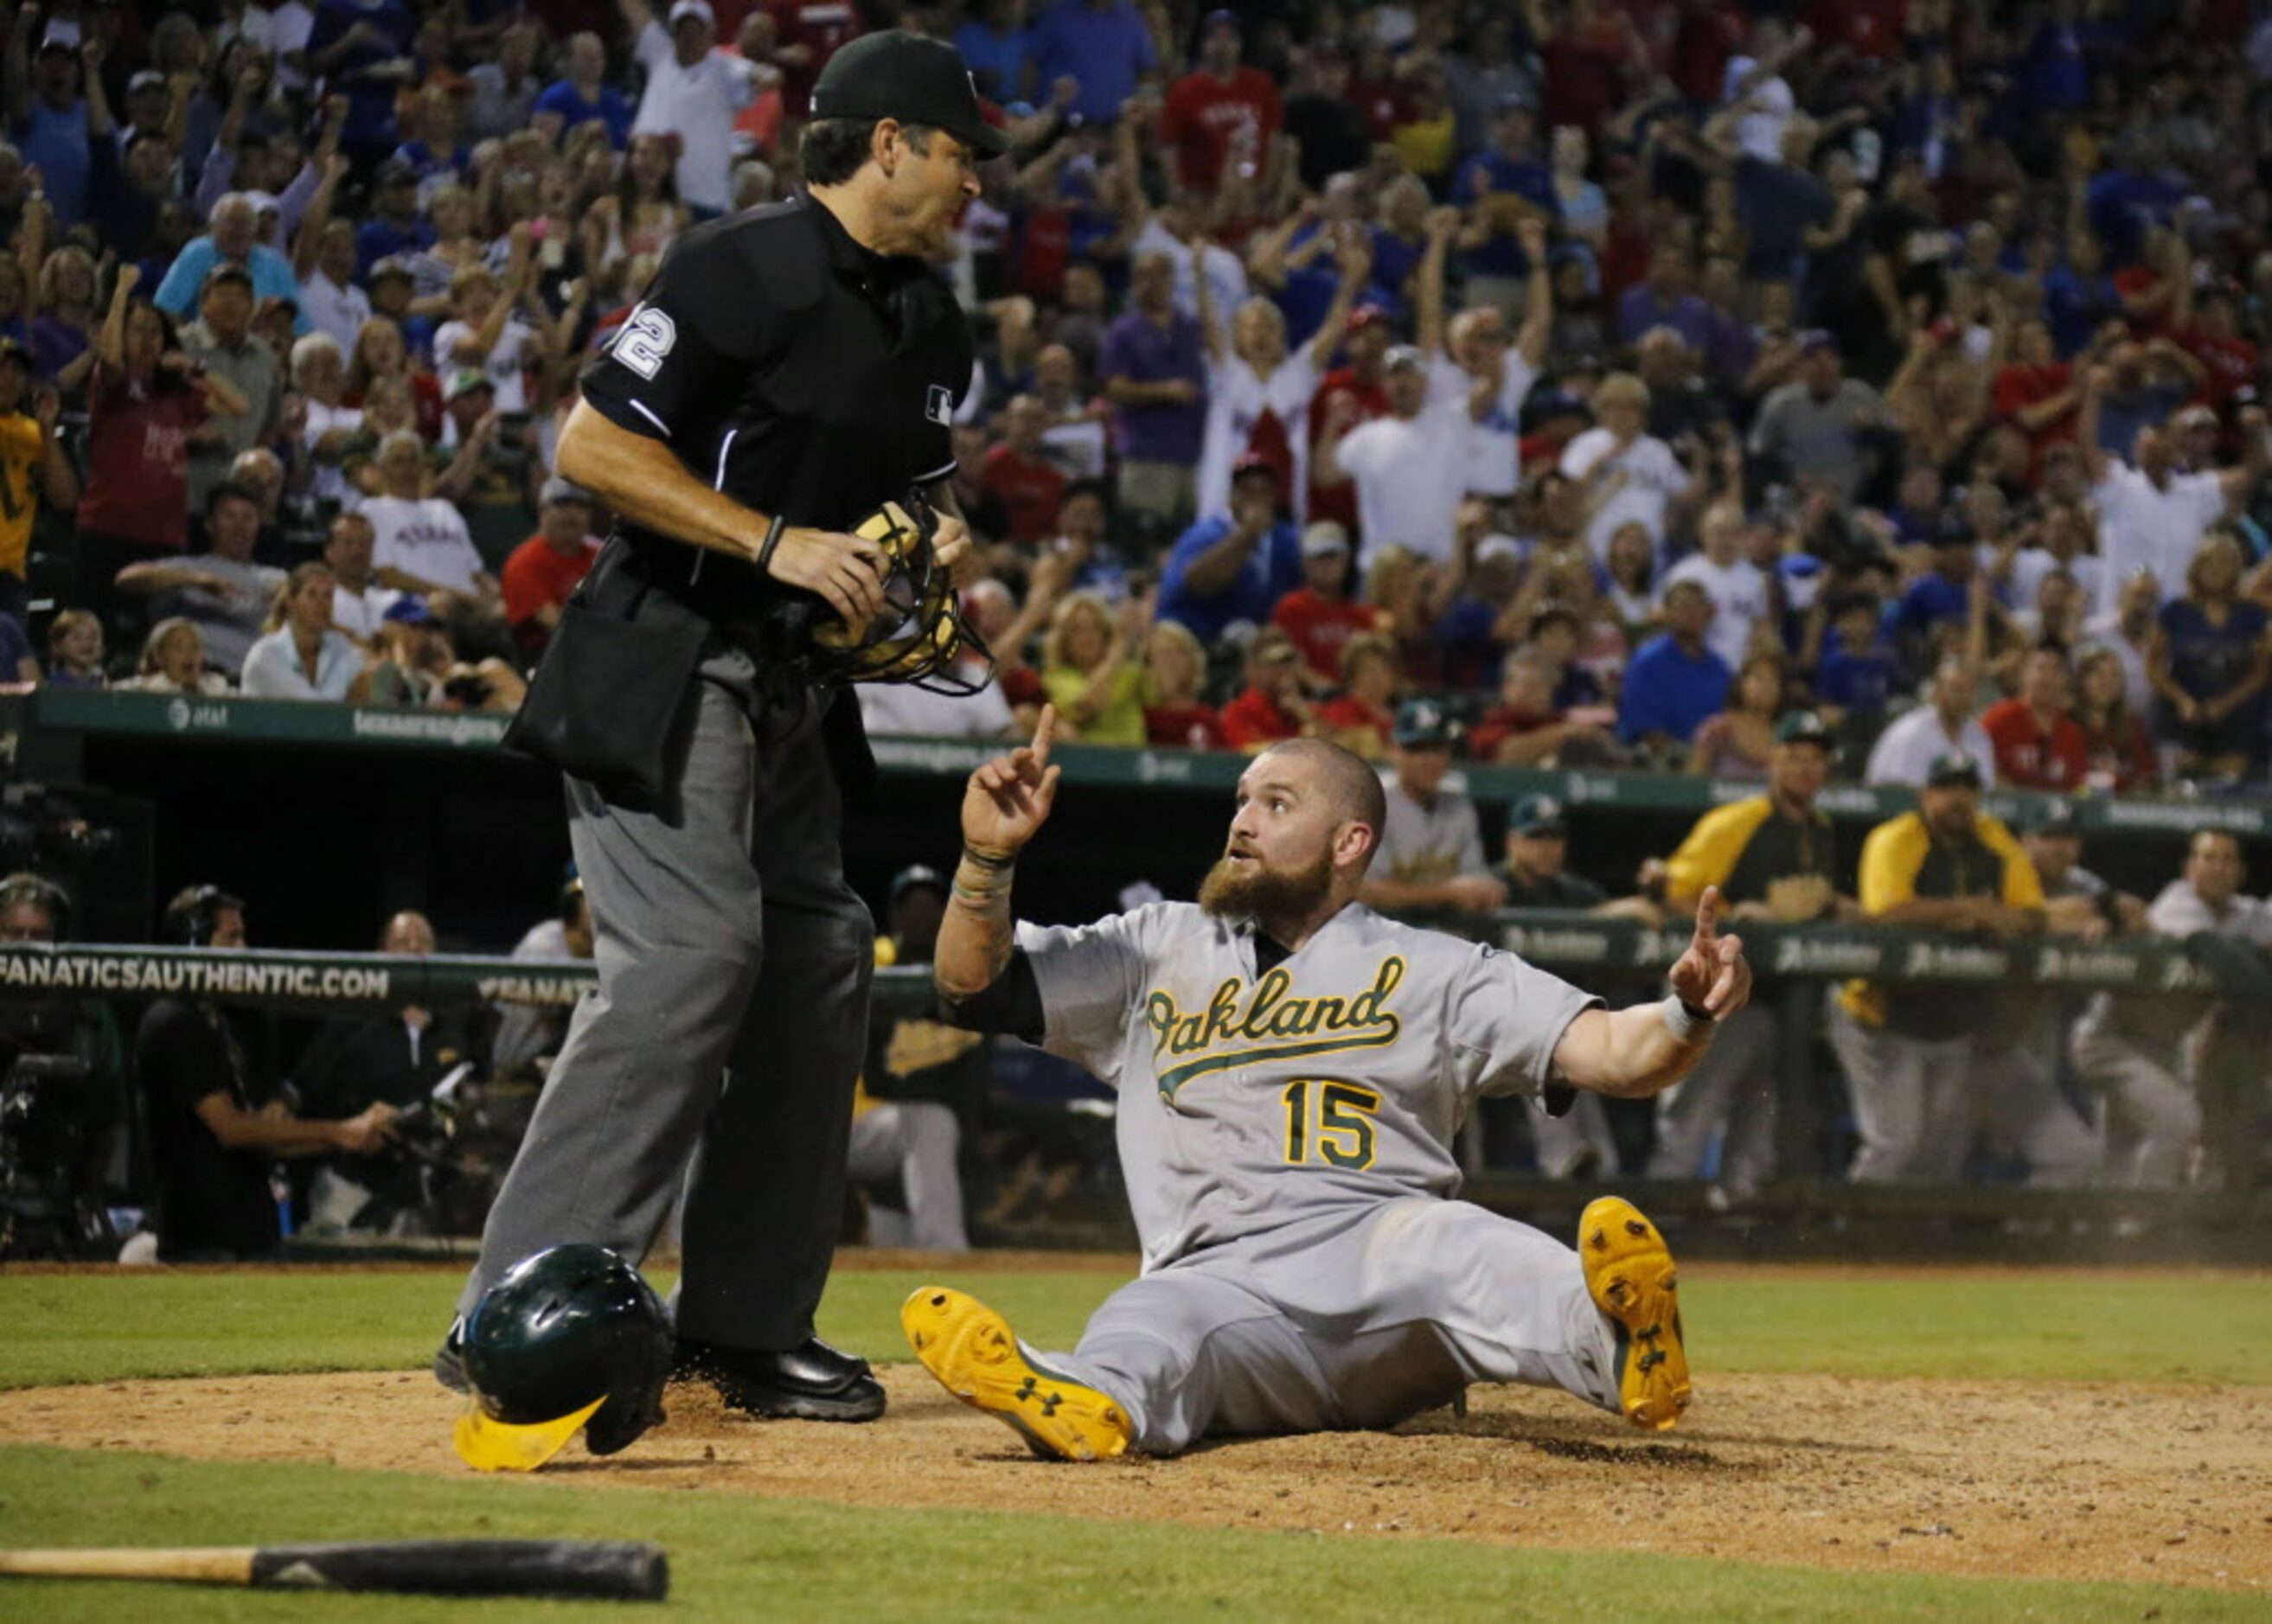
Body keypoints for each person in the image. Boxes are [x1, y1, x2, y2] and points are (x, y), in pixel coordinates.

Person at [442, 32, 1002, 1429]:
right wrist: (778, 539)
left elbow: (922, 499)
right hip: (666, 654)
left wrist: (925, 546)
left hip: (794, 689)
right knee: (695, 956)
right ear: (886, 143)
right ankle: (510, 1306)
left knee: (820, 958)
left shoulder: (936, 324)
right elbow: (590, 448)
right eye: (962, 149)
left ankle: (746, 1329)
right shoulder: (735, 266)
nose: (978, 179)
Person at [899, 710, 1752, 1460]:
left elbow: (1612, 1053)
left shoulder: (1438, 970)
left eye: (1276, 804)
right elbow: (971, 988)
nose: (1242, 822)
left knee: (1472, 1250)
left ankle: (1622, 1344)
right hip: (1219, 1286)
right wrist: (984, 859)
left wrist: (1684, 1014)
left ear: (1349, 843)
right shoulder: (1157, 946)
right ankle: (1079, 1398)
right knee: (1145, 1325)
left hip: (1385, 1262)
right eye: (1240, 800)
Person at [1829, 756, 2092, 1186]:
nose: (1959, 799)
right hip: (1880, 1014)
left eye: (1968, 789)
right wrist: (1967, 909)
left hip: (1949, 1023)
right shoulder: (1896, 838)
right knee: (1896, 1143)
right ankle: (1846, 1237)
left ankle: (1921, 1247)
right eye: (1947, 788)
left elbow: (2031, 914)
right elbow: (1887, 912)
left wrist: (1991, 916)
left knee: (1939, 1150)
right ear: (1925, 795)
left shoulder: (1992, 837)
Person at [135, 885, 396, 1262]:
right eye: (232, 937)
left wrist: (347, 1136)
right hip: (202, 1239)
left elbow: (263, 1136)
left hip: (251, 1233)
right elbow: (233, 1129)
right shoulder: (174, 1019)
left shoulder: (229, 1020)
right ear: (195, 942)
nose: (243, 949)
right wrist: (341, 1131)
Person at [1650, 712, 1844, 1202]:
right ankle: (1660, 1215)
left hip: (1771, 1001)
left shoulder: (1820, 829)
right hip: (1712, 995)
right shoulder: (1736, 822)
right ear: (1773, 761)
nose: (1804, 769)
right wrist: (1739, 914)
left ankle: (1736, 1228)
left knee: (1760, 1120)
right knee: (1693, 1111)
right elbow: (1674, 891)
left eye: (1815, 761)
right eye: (1794, 757)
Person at [848, 866, 971, 1252]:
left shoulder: (969, 973)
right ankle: (947, 1252)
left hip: (897, 1143)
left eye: (934, 904)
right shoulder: (880, 955)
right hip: (840, 1126)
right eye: (912, 905)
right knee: (930, 1121)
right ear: (895, 916)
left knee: (893, 1254)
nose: (923, 914)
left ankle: (939, 1254)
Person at [1356, 699, 1507, 916]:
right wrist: (1449, 892)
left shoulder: (1459, 805)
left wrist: (1484, 891)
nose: (1428, 760)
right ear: (1394, 751)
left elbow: (1473, 878)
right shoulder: (1372, 802)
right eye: (1416, 749)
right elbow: (1364, 891)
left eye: (1436, 749)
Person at [2147, 531, 2269, 782]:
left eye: (2224, 562)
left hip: (2236, 710)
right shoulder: (2175, 610)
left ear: (2235, 570)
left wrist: (2226, 703)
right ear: (2197, 567)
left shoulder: (2253, 614)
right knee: (2177, 762)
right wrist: (2182, 700)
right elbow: (2153, 666)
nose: (2216, 569)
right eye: (2210, 562)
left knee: (2233, 766)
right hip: (2183, 708)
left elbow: (2261, 672)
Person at [626, 0, 762, 218]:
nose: (689, 36)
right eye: (683, 29)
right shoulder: (660, 52)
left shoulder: (725, 67)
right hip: (656, 198)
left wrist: (763, 76)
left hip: (705, 198)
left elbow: (758, 76)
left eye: (696, 29)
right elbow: (633, 11)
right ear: (673, 32)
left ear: (710, 33)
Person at [1155, 454, 1300, 644]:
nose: (1255, 498)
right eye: (1246, 490)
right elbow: (1199, 585)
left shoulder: (1286, 538)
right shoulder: (1204, 534)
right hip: (1198, 638)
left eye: (1263, 491)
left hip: (1256, 644)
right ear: (1231, 494)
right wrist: (1247, 535)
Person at [1617, 579, 1731, 754]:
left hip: (1708, 761)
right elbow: (1644, 726)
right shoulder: (1647, 662)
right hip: (1653, 760)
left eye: (1697, 606)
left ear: (1708, 614)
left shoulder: (1719, 668)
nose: (1690, 613)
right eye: (1683, 606)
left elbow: (1726, 722)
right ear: (1667, 613)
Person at [500, 479, 603, 660]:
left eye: (580, 506)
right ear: (543, 511)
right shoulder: (525, 561)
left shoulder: (599, 557)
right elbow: (554, 623)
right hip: (545, 659)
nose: (571, 513)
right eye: (562, 504)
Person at [1864, 653, 1998, 789]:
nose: (1962, 697)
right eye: (1956, 689)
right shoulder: (1910, 733)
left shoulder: (1978, 736)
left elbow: (1984, 790)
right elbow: (1898, 792)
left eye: (1969, 691)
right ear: (1937, 692)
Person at [1269, 521, 1375, 684]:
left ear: (1345, 562)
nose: (1327, 565)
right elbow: (1287, 661)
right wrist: (1326, 689)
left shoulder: (1362, 614)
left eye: (1333, 557)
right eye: (1320, 558)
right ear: (1305, 563)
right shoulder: (1292, 608)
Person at [240, 561, 362, 699]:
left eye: (328, 595)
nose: (322, 604)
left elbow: (364, 672)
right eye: (312, 595)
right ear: (291, 601)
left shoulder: (340, 647)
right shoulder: (266, 655)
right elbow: (307, 709)